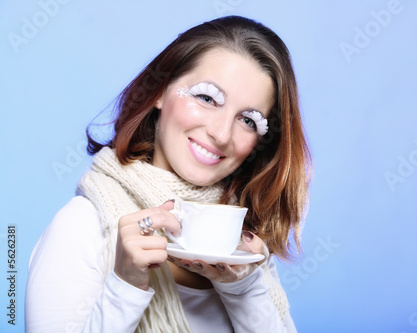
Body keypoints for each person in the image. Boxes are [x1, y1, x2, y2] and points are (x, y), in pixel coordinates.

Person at [26, 15, 311, 332]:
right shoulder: (80, 227)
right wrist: (126, 286)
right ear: (160, 91)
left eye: (248, 120)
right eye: (206, 98)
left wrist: (243, 288)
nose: (221, 133)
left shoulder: (246, 247)